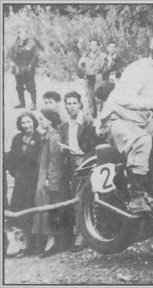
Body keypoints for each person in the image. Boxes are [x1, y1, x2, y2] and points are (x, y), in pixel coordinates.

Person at [99, 30, 153, 213]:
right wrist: (152, 104)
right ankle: (136, 197)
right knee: (142, 140)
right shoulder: (139, 69)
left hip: (140, 121)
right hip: (116, 118)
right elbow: (122, 98)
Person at [60, 91, 97, 252]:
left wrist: (89, 160)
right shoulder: (65, 124)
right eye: (68, 104)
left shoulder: (88, 122)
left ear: (80, 104)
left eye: (74, 103)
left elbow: (95, 144)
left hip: (87, 162)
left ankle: (83, 235)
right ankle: (81, 232)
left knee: (84, 196)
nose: (72, 106)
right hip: (73, 163)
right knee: (76, 196)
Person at [31, 108, 67, 258]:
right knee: (44, 209)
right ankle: (47, 241)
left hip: (49, 178)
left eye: (42, 119)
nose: (39, 122)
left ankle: (52, 243)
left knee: (49, 210)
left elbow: (55, 162)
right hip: (43, 174)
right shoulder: (47, 135)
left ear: (50, 120)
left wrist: (50, 181)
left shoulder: (54, 137)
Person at [5, 112, 42, 256]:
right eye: (23, 123)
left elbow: (40, 160)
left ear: (33, 122)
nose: (26, 125)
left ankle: (35, 244)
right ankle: (25, 245)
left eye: (28, 122)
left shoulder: (39, 138)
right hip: (20, 182)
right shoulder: (17, 138)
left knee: (32, 211)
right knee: (19, 213)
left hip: (34, 181)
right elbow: (12, 157)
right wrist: (15, 173)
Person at [8, 28, 39, 110]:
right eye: (22, 34)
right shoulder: (15, 43)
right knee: (19, 86)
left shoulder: (32, 44)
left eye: (25, 34)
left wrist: (31, 65)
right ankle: (21, 102)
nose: (23, 35)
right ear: (18, 35)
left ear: (27, 34)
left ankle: (33, 103)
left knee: (31, 86)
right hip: (18, 68)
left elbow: (35, 56)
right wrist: (12, 61)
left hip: (28, 67)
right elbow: (10, 53)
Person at [78, 39, 106, 118]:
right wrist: (84, 69)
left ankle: (99, 115)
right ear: (90, 46)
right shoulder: (86, 55)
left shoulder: (101, 55)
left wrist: (100, 73)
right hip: (89, 78)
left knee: (98, 97)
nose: (93, 47)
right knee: (90, 97)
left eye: (95, 45)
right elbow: (80, 64)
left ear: (97, 46)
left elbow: (104, 66)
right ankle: (92, 116)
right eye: (92, 45)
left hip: (98, 77)